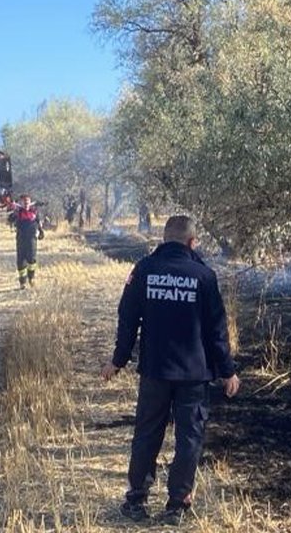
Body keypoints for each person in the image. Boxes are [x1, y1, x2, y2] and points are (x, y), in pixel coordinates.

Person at [102, 215, 241, 524]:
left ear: (164, 240)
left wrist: (118, 360)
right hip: (194, 374)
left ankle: (136, 501)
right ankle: (177, 505)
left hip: (154, 371)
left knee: (147, 435)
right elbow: (217, 330)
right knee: (189, 439)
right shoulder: (204, 276)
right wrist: (227, 371)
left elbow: (127, 318)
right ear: (192, 243)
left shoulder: (144, 271)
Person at [8, 194, 44, 289]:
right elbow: (10, 219)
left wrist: (41, 232)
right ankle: (22, 282)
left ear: (30, 202)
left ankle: (31, 278)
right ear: (21, 203)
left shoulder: (34, 211)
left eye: (27, 202)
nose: (26, 204)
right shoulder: (18, 212)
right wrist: (13, 210)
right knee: (21, 261)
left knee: (32, 259)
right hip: (21, 239)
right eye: (24, 202)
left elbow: (39, 222)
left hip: (32, 239)